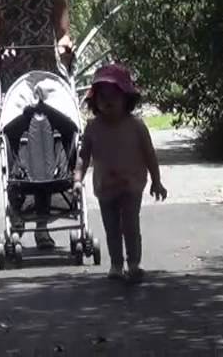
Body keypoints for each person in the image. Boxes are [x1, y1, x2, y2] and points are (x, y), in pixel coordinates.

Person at [0, 0, 74, 246]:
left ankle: (44, 223)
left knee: (51, 146)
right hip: (14, 84)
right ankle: (18, 209)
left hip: (47, 81)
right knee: (16, 147)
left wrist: (64, 44)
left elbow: (62, 32)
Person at [73, 63, 167, 282]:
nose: (108, 101)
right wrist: (78, 178)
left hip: (131, 184)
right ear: (94, 101)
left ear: (127, 99)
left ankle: (133, 262)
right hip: (105, 186)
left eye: (114, 95)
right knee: (112, 227)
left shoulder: (136, 126)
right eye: (102, 96)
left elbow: (149, 154)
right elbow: (83, 156)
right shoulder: (93, 128)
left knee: (131, 224)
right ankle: (116, 264)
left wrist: (157, 181)